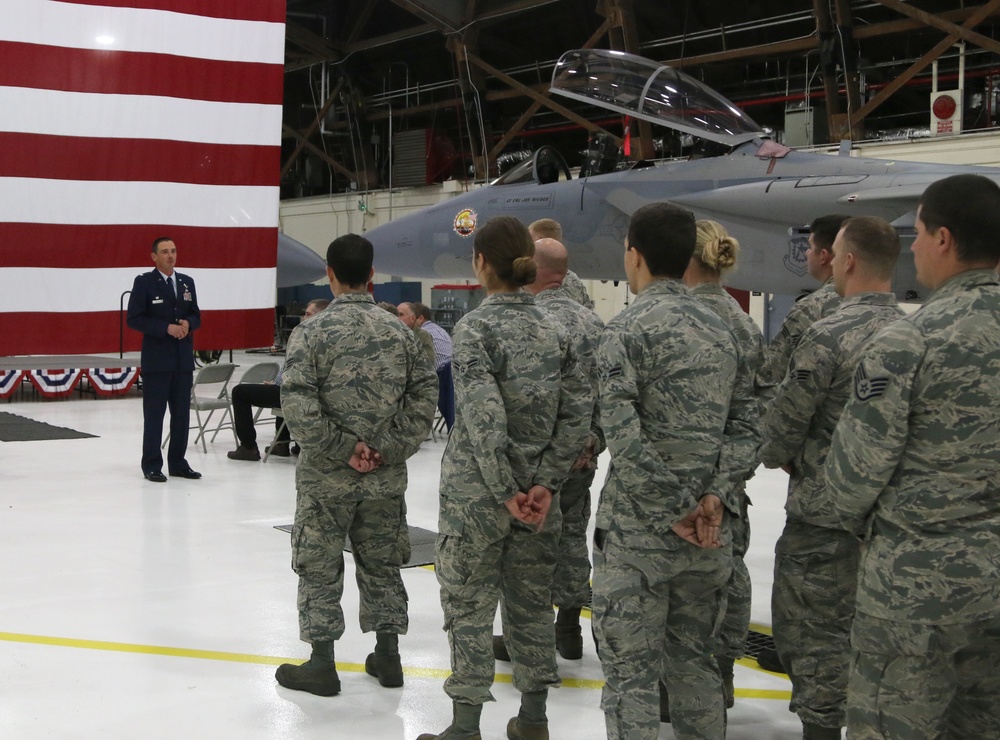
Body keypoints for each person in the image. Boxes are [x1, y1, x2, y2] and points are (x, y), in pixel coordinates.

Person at [826, 174, 1000, 739]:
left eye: (919, 233)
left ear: (944, 239)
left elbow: (852, 477)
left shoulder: (911, 341)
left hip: (913, 595)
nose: (915, 247)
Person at [418, 216, 589, 740]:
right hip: (542, 500)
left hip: (480, 500)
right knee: (532, 604)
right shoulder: (559, 327)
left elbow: (482, 418)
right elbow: (577, 417)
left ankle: (466, 723)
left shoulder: (477, 328)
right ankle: (533, 717)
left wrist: (505, 491)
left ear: (481, 263)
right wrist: (543, 486)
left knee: (468, 605)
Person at [592, 203, 759, 740]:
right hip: (710, 534)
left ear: (634, 256)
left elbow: (625, 435)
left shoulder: (624, 331)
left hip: (640, 538)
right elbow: (749, 426)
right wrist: (713, 497)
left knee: (631, 676)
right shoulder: (728, 329)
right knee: (696, 665)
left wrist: (674, 508)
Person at [274, 234, 438, 697]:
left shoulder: (310, 333)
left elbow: (298, 405)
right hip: (384, 479)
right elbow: (425, 401)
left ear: (329, 275)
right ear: (372, 276)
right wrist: (383, 448)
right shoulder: (403, 333)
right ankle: (388, 657)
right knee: (383, 562)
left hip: (327, 478)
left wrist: (344, 447)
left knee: (319, 562)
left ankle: (322, 663)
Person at [759, 216, 904, 740]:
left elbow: (778, 433)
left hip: (824, 517)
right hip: (892, 520)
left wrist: (791, 454)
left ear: (845, 261)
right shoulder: (916, 333)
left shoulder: (826, 334)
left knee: (813, 635)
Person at [493, 237, 604, 663]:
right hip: (582, 457)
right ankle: (569, 627)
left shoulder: (527, 319)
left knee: (526, 547)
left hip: (534, 461)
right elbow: (613, 398)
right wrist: (590, 443)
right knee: (573, 531)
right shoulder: (595, 324)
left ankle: (526, 636)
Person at [682, 219, 764, 710]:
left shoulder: (674, 319)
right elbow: (754, 418)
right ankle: (723, 676)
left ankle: (677, 691)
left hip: (669, 493)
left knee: (675, 595)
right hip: (728, 490)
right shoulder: (743, 324)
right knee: (729, 577)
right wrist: (724, 484)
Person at [126, 237, 202, 483]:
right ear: (154, 257)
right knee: (155, 415)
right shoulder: (145, 283)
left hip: (182, 360)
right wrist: (165, 328)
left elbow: (196, 314)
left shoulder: (186, 282)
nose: (171, 256)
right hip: (157, 361)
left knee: (181, 415)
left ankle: (178, 463)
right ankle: (151, 464)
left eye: (174, 251)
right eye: (165, 252)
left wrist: (189, 323)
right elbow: (134, 319)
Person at [757, 214, 849, 407]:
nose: (806, 253)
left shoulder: (809, 309)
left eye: (809, 247)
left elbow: (773, 376)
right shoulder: (887, 313)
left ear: (823, 256)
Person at [227, 299, 329, 462]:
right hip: (313, 394)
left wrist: (277, 382)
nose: (303, 318)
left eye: (307, 314)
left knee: (240, 392)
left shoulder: (305, 336)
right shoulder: (330, 339)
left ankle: (248, 446)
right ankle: (282, 443)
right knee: (282, 391)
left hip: (297, 393)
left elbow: (293, 368)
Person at [528, 218, 595, 310]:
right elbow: (588, 312)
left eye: (529, 239)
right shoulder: (575, 281)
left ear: (538, 240)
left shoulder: (529, 278)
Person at [413, 302, 456, 432]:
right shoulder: (440, 330)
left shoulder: (423, 333)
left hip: (439, 380)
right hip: (450, 380)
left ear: (420, 318)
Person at [395, 301, 438, 369]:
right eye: (396, 315)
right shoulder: (394, 334)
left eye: (401, 315)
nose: (397, 318)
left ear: (412, 318)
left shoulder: (423, 336)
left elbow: (429, 361)